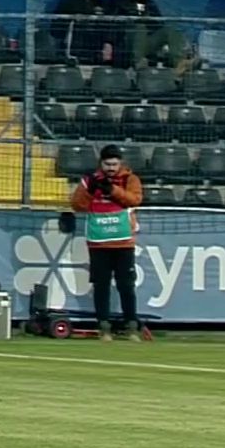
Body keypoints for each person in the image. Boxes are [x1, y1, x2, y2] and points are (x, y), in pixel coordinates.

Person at [71, 145, 143, 340]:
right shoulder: (89, 181)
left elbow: (134, 200)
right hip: (98, 242)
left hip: (123, 242)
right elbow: (78, 205)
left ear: (120, 163)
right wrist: (90, 190)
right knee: (100, 285)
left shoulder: (130, 179)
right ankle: (103, 326)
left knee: (126, 285)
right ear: (101, 163)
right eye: (107, 164)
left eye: (114, 164)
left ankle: (132, 325)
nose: (111, 168)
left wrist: (112, 190)